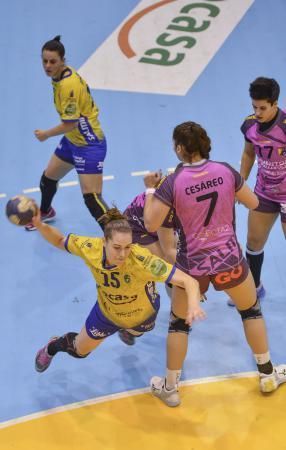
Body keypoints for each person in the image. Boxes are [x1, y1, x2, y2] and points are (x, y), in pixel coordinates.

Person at [143, 121, 286, 407]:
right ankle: (267, 373)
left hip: (192, 265)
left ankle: (170, 388)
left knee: (179, 326)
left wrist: (150, 190)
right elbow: (255, 202)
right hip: (228, 258)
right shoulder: (225, 171)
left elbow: (150, 223)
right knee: (251, 312)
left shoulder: (173, 182)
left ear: (181, 149)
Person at [33, 206, 204, 374]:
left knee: (137, 331)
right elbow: (59, 240)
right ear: (104, 241)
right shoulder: (91, 248)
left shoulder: (143, 261)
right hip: (107, 313)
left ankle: (127, 331)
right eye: (117, 247)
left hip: (142, 314)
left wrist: (194, 305)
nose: (123, 254)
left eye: (128, 247)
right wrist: (40, 226)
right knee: (79, 351)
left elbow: (189, 281)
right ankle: (51, 347)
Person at [25, 35, 109, 231]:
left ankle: (120, 235)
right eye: (44, 61)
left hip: (89, 145)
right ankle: (46, 212)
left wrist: (45, 134)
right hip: (73, 142)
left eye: (53, 61)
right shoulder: (61, 75)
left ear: (63, 60)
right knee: (48, 180)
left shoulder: (67, 86)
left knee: (92, 198)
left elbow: (69, 124)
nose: (47, 65)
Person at [228, 77, 286, 306]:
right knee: (253, 241)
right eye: (254, 107)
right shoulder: (249, 125)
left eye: (262, 108)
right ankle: (254, 287)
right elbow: (248, 154)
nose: (258, 112)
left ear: (274, 104)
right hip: (265, 191)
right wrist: (241, 183)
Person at [120, 182, 178, 344]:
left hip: (151, 227)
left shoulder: (177, 192)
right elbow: (169, 252)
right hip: (135, 231)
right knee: (169, 269)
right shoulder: (167, 206)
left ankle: (177, 311)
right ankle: (131, 325)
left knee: (174, 270)